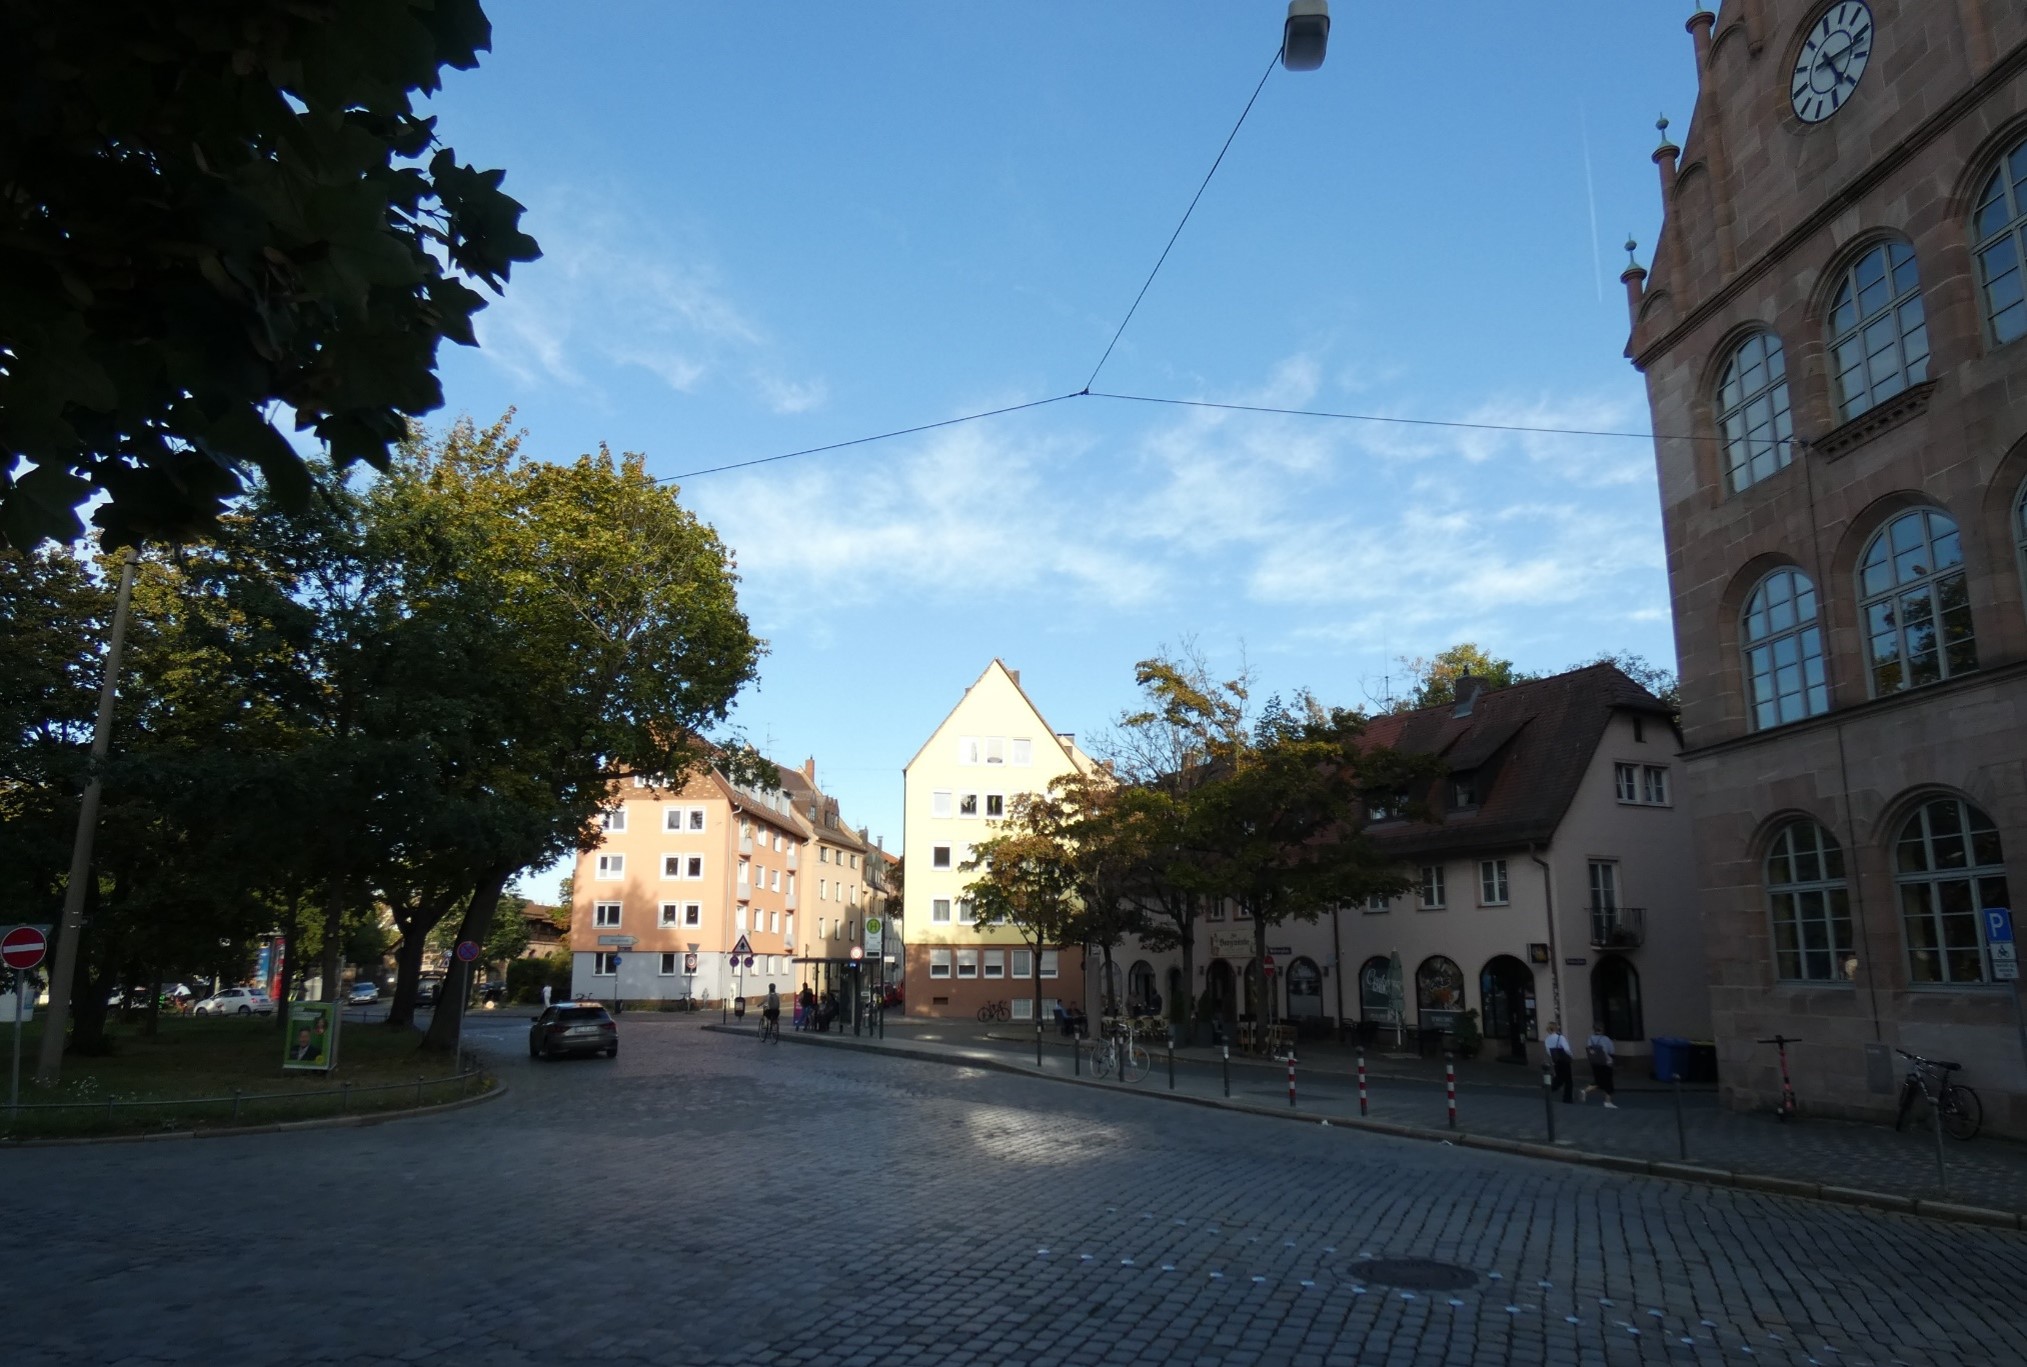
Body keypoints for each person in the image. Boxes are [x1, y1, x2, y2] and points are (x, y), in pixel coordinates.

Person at [1581, 1027, 1618, 1108]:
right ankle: (1607, 1101)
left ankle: (1585, 1091)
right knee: (1608, 1082)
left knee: (1598, 1080)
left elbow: (1590, 1050)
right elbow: (1611, 1050)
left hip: (1595, 1063)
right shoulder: (1606, 1039)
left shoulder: (1590, 1039)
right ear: (1602, 1030)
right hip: (1605, 1062)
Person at [1544, 1020, 1575, 1103]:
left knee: (1559, 1077)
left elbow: (1548, 1051)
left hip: (1556, 1060)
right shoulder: (1560, 1037)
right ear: (1556, 1028)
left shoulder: (1547, 1039)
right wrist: (1571, 1055)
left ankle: (1551, 1088)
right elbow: (1567, 1049)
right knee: (1568, 1080)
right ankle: (1567, 1098)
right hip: (1564, 1060)